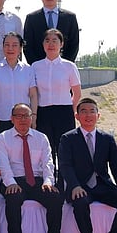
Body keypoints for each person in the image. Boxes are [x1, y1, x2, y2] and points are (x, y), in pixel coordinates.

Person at [59, 97, 117, 233]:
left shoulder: (106, 138)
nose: (88, 115)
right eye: (84, 111)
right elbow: (65, 166)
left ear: (98, 115)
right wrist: (74, 186)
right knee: (80, 202)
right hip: (81, 186)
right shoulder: (68, 138)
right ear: (77, 116)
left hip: (103, 186)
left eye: (92, 111)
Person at [0, 103, 67, 233]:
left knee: (55, 198)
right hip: (14, 180)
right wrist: (11, 183)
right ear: (11, 119)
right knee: (13, 198)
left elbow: (48, 162)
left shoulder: (41, 138)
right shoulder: (3, 138)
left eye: (26, 116)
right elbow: (3, 164)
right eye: (18, 116)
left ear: (31, 118)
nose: (23, 120)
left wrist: (48, 181)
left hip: (37, 181)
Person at [32, 28, 81, 166]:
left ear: (61, 44)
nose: (51, 44)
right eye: (47, 41)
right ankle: (48, 183)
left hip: (64, 112)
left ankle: (66, 183)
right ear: (43, 45)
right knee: (46, 150)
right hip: (43, 113)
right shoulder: (35, 67)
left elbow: (77, 93)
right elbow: (33, 93)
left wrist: (71, 110)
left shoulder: (69, 66)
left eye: (55, 41)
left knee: (64, 150)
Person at [0, 32, 37, 135]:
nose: (10, 48)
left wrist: (33, 116)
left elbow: (33, 95)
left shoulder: (28, 69)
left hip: (23, 119)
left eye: (15, 45)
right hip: (1, 118)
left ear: (21, 48)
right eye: (7, 45)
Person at [24, 0, 80, 65]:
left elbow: (74, 44)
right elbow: (27, 45)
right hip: (39, 67)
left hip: (63, 67)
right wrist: (36, 65)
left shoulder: (70, 17)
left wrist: (66, 64)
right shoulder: (31, 18)